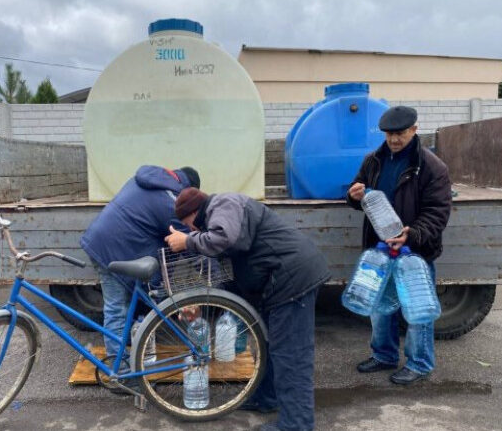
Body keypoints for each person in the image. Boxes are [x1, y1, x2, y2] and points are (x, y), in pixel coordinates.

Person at [166, 188, 330, 431]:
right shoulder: (217, 218)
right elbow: (230, 279)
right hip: (274, 283)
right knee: (266, 346)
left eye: (187, 224)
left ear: (192, 213)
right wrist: (201, 304)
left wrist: (187, 242)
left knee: (291, 356)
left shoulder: (223, 204)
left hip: (291, 279)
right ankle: (266, 398)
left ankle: (297, 425)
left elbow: (226, 238)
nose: (190, 230)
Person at [346, 105, 452, 385]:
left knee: (417, 312)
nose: (394, 139)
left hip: (414, 252)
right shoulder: (373, 160)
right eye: (389, 134)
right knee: (380, 308)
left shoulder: (432, 167)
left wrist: (412, 233)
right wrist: (353, 194)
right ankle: (384, 355)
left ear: (415, 130)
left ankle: (419, 363)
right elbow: (361, 195)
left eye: (400, 133)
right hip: (379, 251)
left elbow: (437, 213)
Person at [80, 165, 200, 389]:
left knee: (124, 308)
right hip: (112, 250)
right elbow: (188, 244)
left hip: (102, 241)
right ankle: (123, 376)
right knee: (117, 309)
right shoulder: (170, 201)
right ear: (188, 189)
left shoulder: (146, 180)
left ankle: (125, 360)